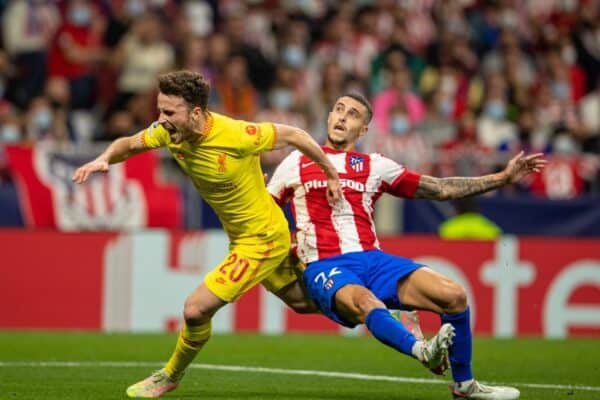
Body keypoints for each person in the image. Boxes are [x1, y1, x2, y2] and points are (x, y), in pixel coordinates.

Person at [72, 70, 343, 398]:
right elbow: (128, 144)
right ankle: (374, 304)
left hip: (263, 239)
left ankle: (170, 375)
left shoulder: (237, 134)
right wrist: (103, 159)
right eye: (160, 110)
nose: (161, 119)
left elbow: (296, 135)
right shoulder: (166, 133)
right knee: (303, 302)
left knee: (195, 309)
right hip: (247, 236)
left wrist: (330, 173)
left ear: (196, 113)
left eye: (169, 112)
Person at [267, 93, 546, 400]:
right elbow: (264, 211)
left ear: (363, 130)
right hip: (324, 264)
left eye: (354, 114)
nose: (343, 117)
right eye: (338, 110)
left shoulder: (375, 165)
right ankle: (421, 350)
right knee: (366, 303)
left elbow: (439, 188)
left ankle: (464, 386)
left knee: (454, 296)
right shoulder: (296, 161)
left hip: (373, 261)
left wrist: (502, 177)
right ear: (329, 117)